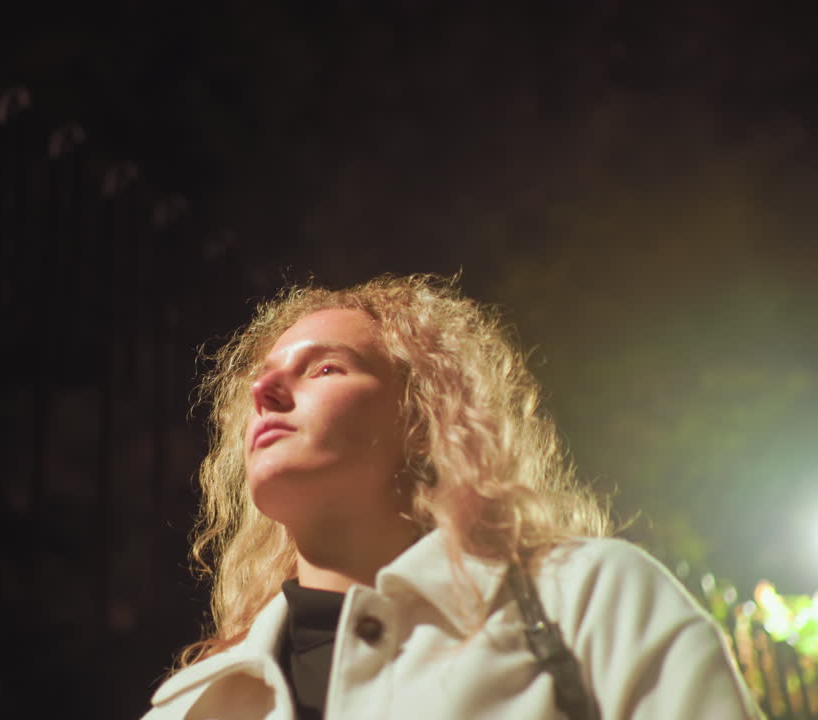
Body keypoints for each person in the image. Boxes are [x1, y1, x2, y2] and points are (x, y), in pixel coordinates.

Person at [142, 274, 759, 719]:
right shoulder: (194, 704)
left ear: (421, 418)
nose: (265, 390)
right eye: (265, 374)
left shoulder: (589, 604)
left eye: (325, 368)